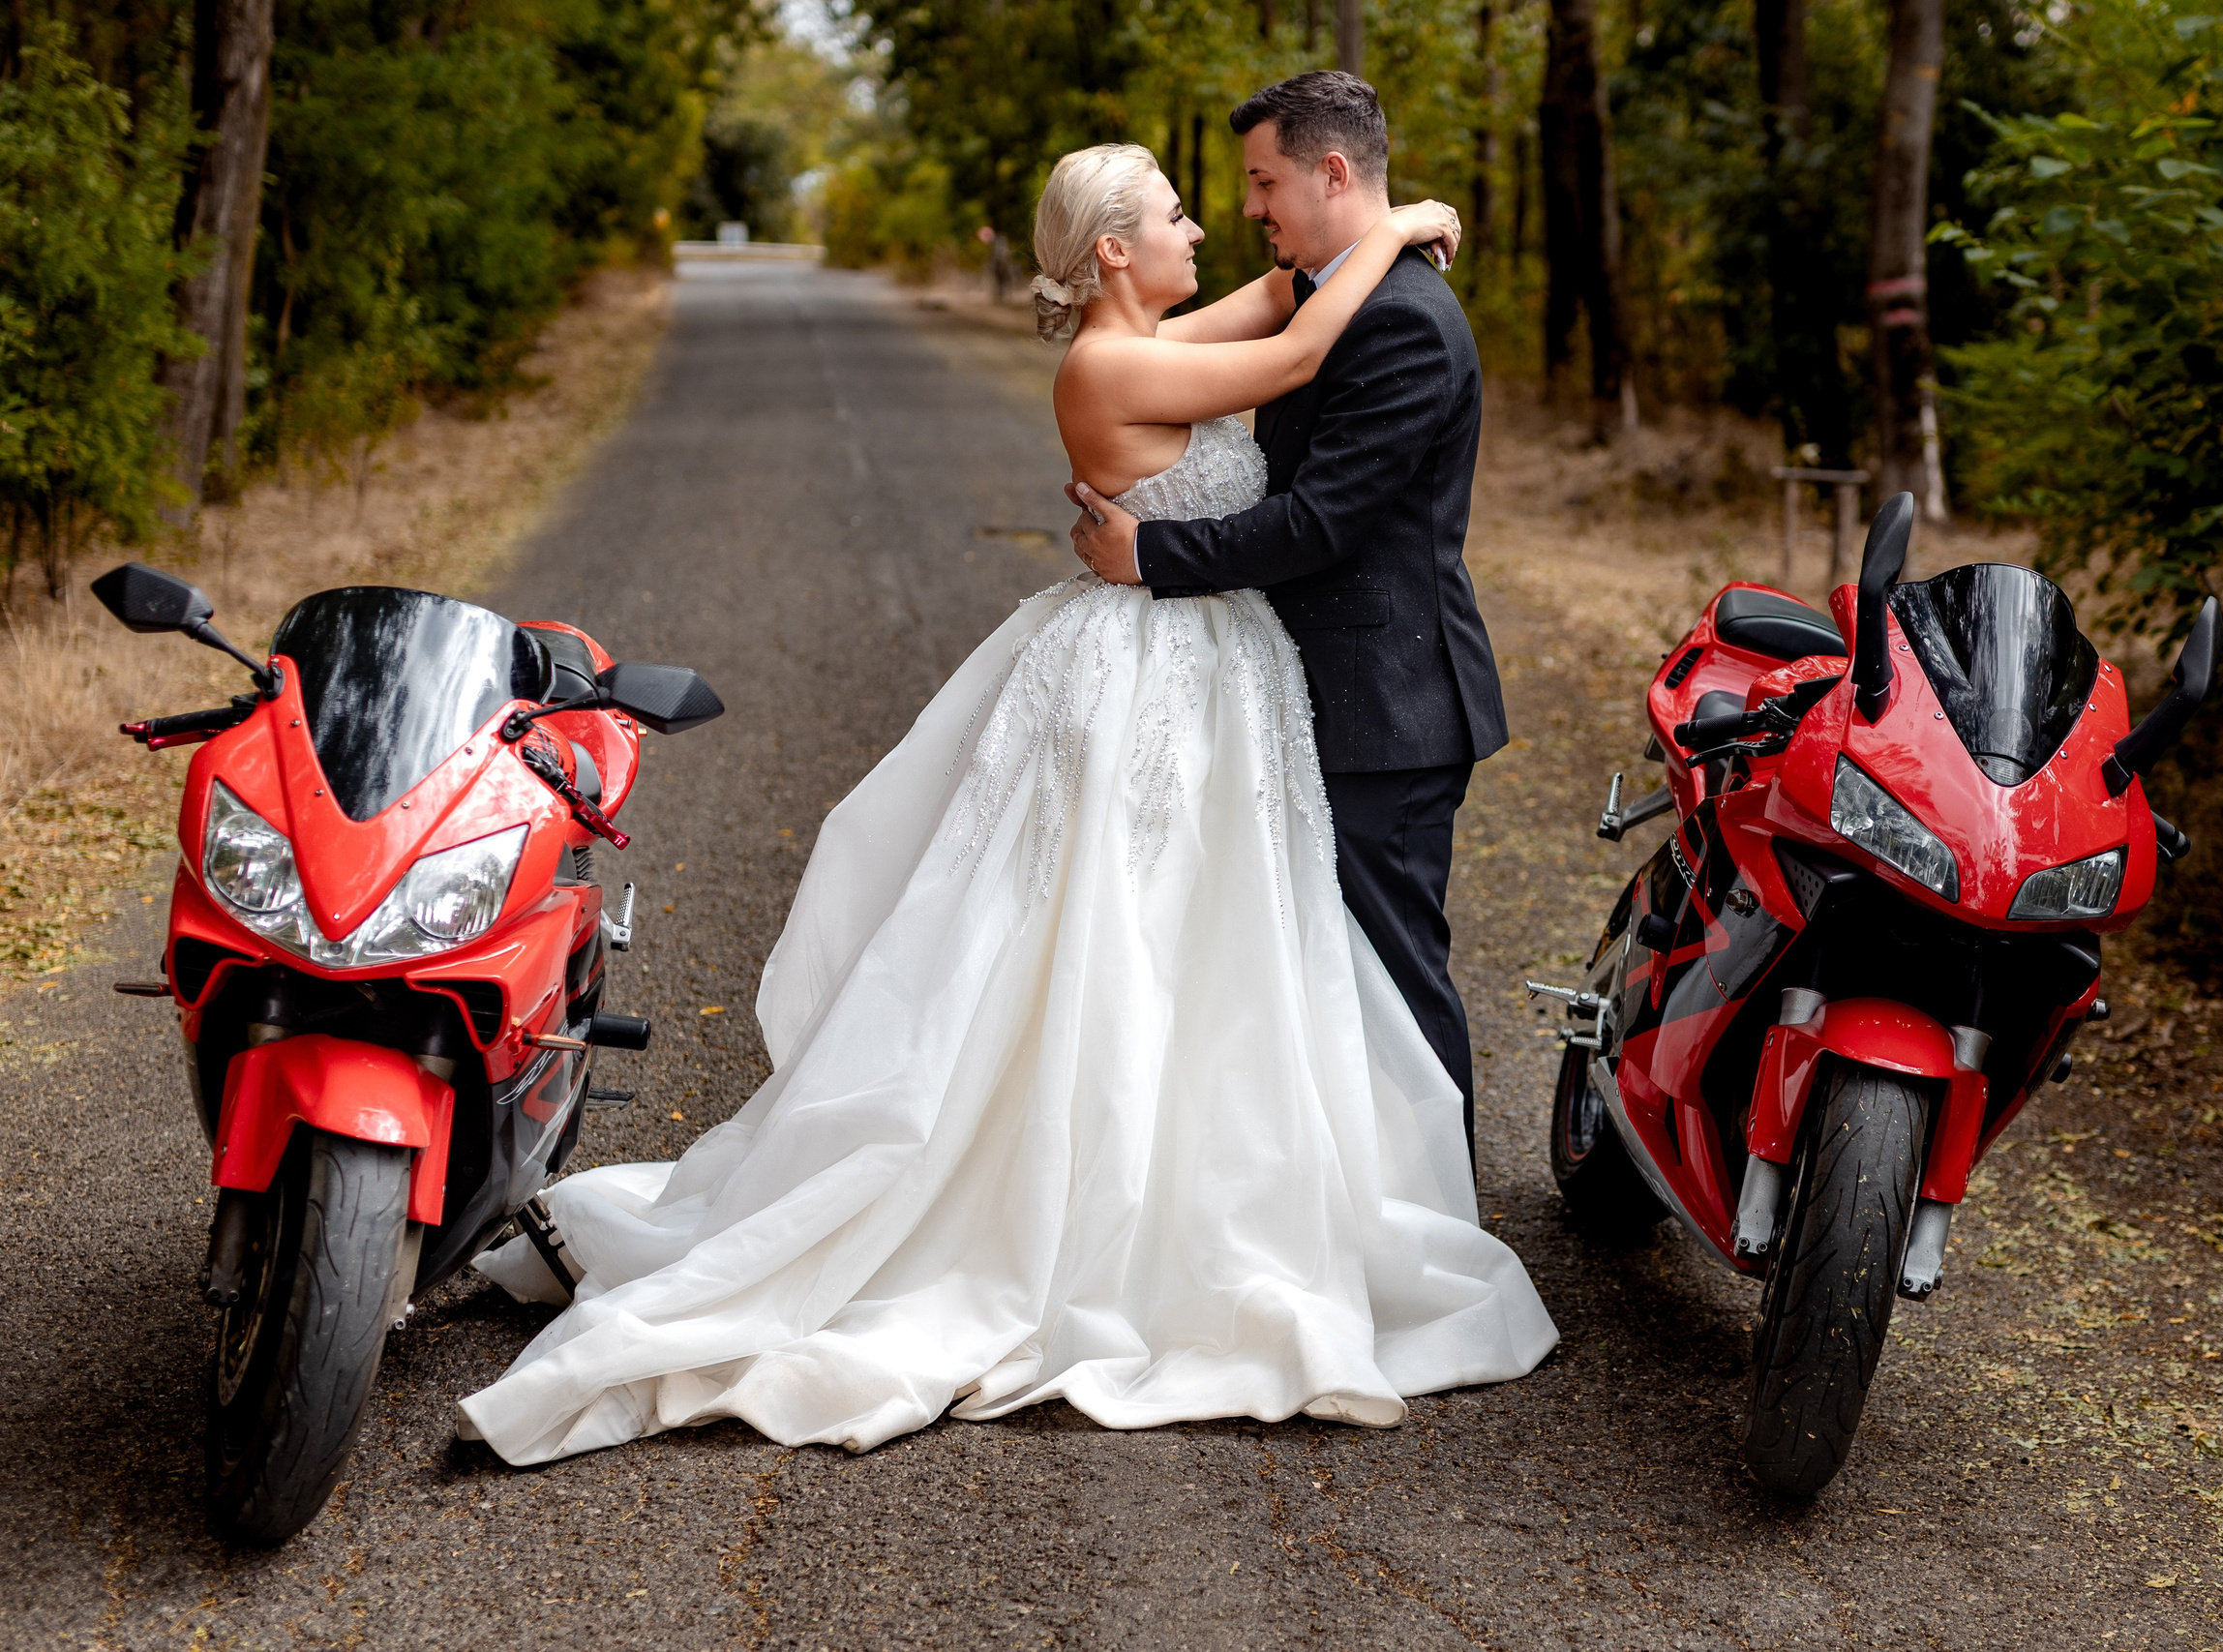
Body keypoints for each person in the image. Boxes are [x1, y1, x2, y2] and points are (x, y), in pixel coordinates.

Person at [455, 121, 1553, 1468]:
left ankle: (1270, 1179)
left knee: (1217, 943)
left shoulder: (1158, 328)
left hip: (1218, 671)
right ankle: (1095, 1211)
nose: (1206, 224)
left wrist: (1401, 208)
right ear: (1113, 248)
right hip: (1151, 666)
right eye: (1174, 213)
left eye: (1238, 196)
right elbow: (1300, 350)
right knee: (1101, 935)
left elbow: (1279, 299)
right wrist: (1390, 229)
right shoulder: (1108, 361)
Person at [1068, 73, 1502, 1166]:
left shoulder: (1398, 319)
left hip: (1384, 702)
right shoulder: (1320, 293)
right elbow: (1278, 327)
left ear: (1333, 172)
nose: (1247, 207)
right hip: (1293, 688)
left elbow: (1320, 524)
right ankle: (1336, 1197)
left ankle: (1438, 1217)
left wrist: (1151, 553)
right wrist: (1394, 226)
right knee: (1305, 970)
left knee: (1392, 976)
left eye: (1264, 180)